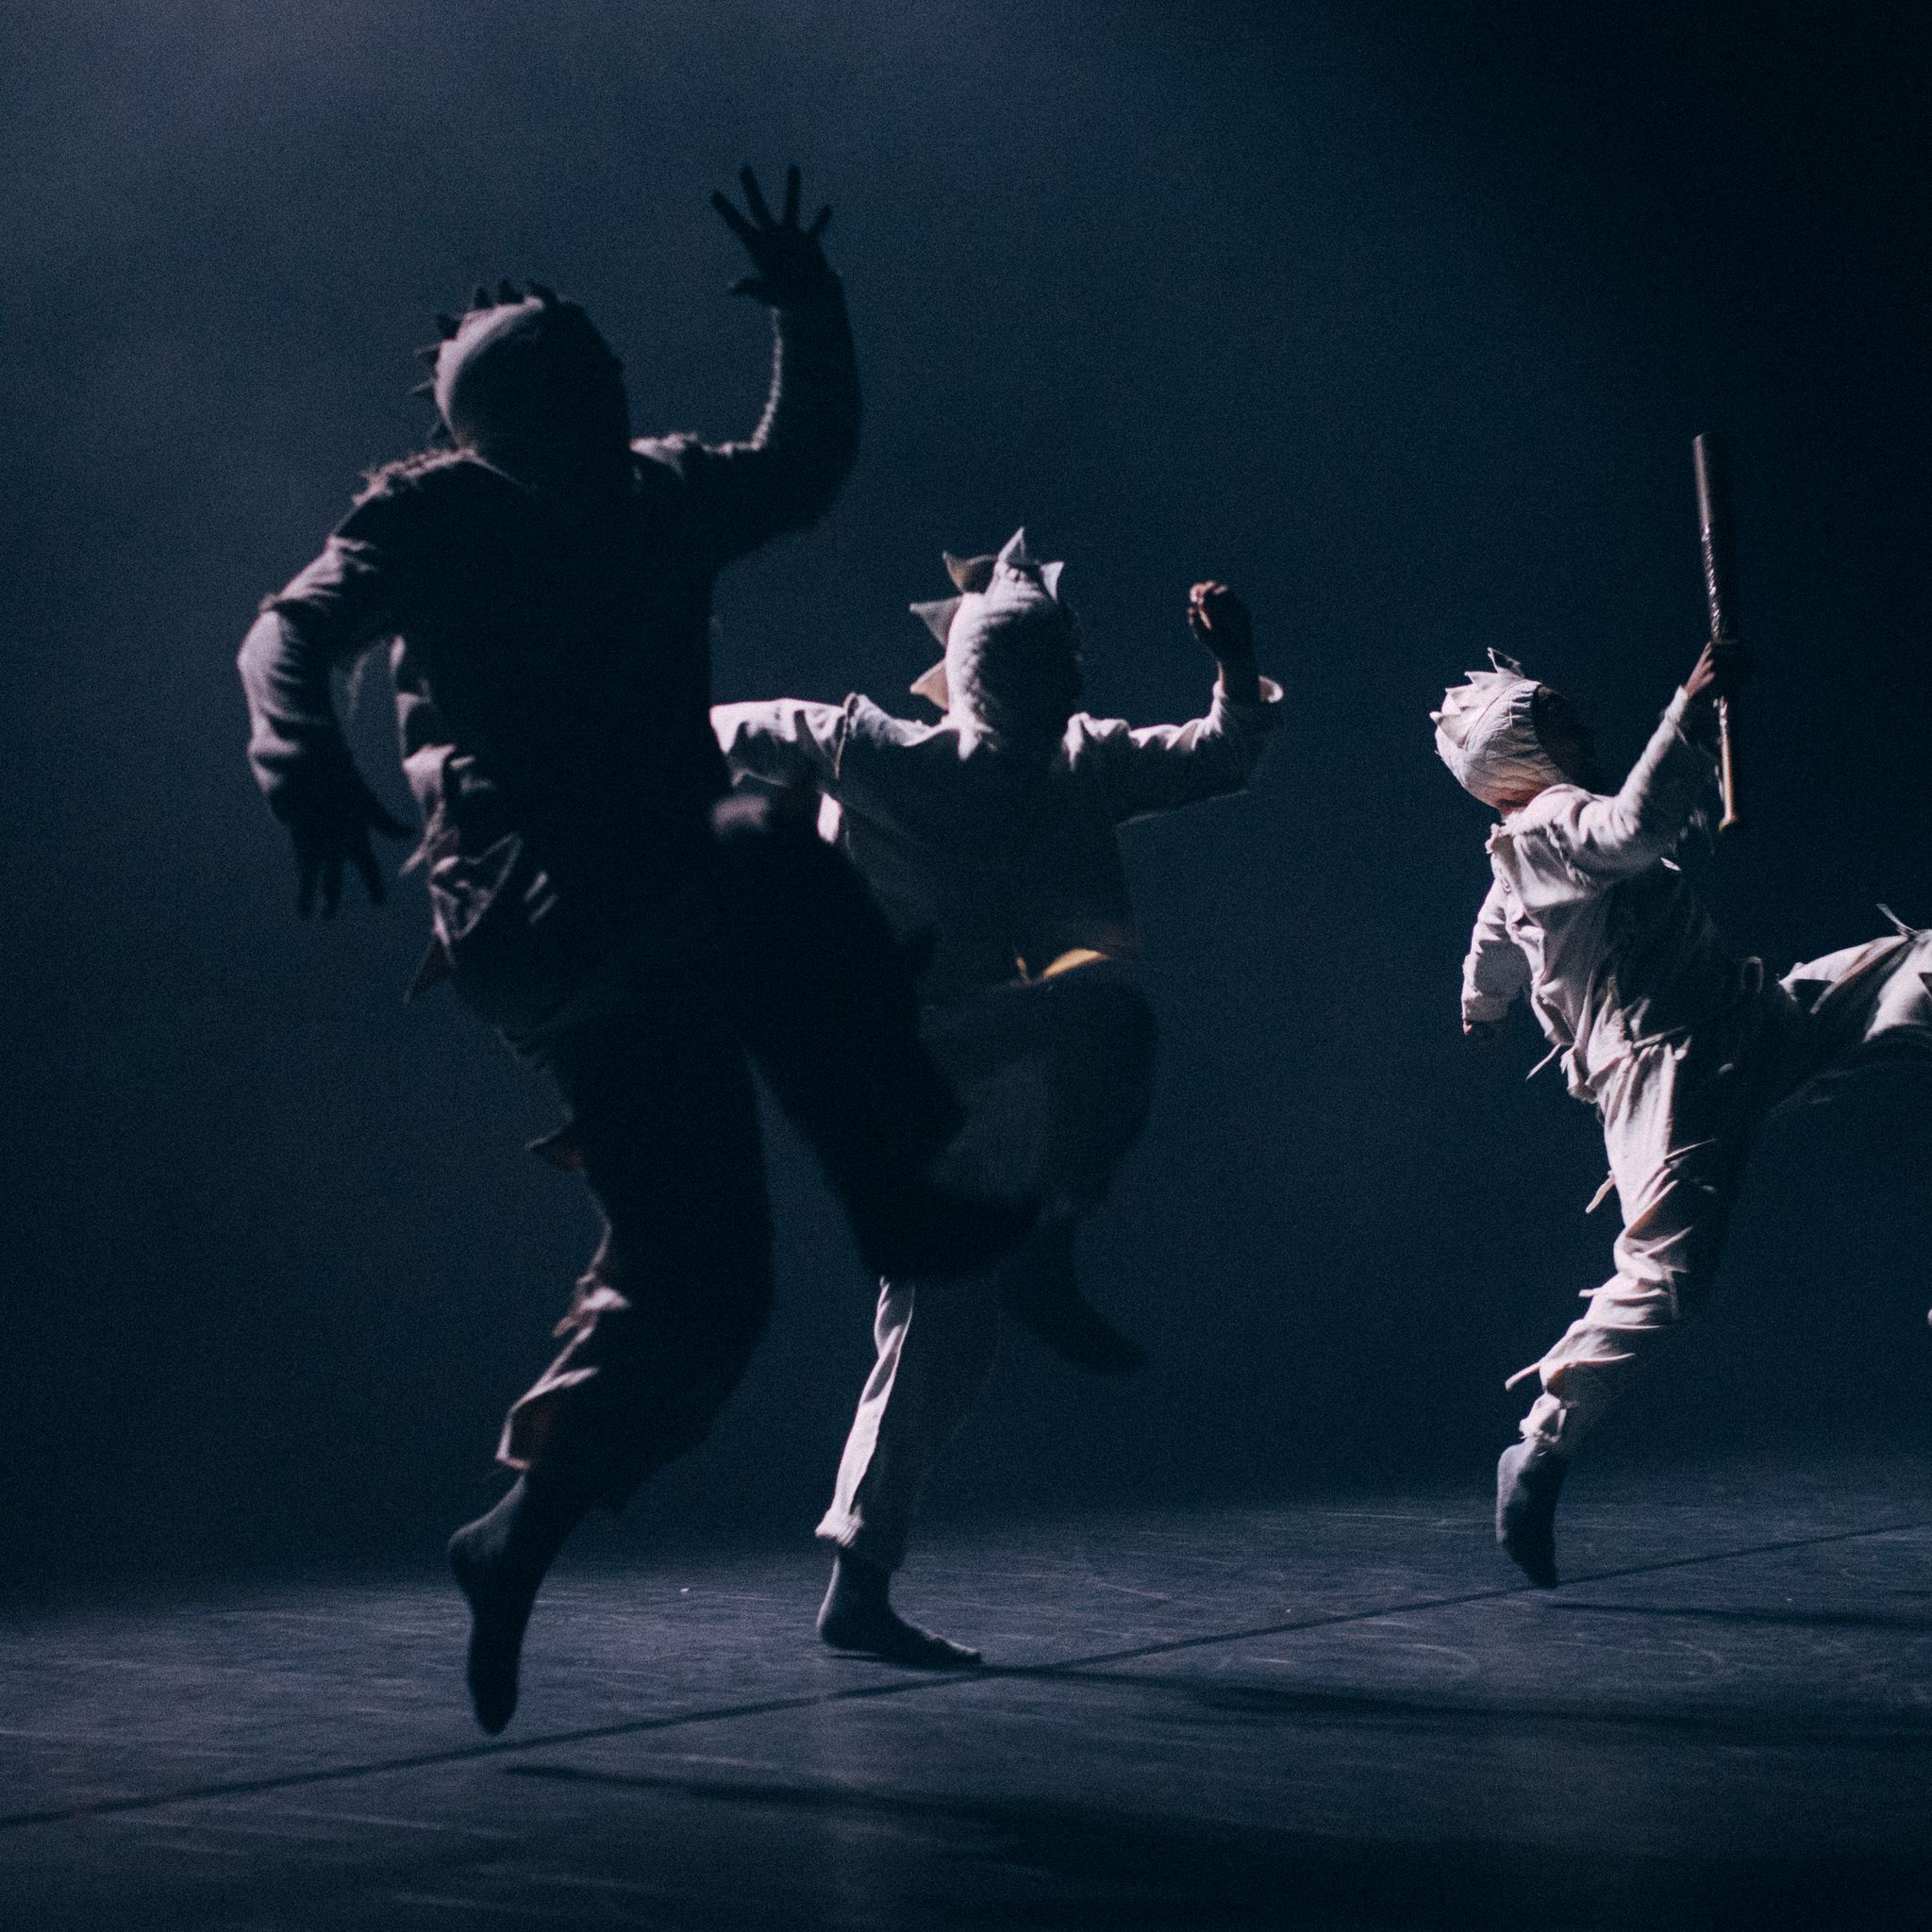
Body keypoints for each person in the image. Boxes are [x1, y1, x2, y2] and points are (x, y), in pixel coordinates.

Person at [236, 168, 1023, 1733]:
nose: (599, 373)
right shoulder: (436, 511)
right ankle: (913, 1162)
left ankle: (515, 1529)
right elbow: (289, 631)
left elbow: (799, 467)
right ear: (493, 414)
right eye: (557, 365)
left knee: (706, 1289)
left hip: (648, 926)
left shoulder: (658, 495)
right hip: (545, 907)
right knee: (760, 844)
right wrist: (302, 760)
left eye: (596, 353)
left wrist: (808, 305)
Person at [714, 531, 1282, 1662]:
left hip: (984, 1058)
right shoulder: (888, 750)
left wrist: (1231, 666)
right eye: (1049, 660)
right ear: (998, 674)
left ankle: (861, 1575)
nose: (1071, 678)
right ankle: (864, 1573)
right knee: (945, 1305)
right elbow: (720, 728)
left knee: (948, 1322)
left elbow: (1219, 753)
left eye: (1067, 661)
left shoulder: (1070, 760)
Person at [1436, 641, 1932, 1587]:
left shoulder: (1520, 845)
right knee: (1665, 1277)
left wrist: (1481, 1004)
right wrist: (1689, 708)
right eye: (1558, 720)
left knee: (1908, 972)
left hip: (1745, 1017)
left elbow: (1493, 933)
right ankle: (1539, 1444)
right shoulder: (1548, 821)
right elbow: (1630, 831)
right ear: (1517, 754)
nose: (1582, 728)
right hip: (1668, 1074)